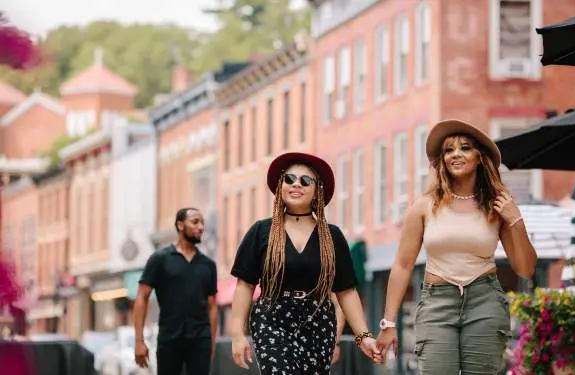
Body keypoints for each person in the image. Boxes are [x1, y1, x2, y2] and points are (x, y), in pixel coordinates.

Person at [376, 120, 537, 374]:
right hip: (436, 302)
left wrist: (515, 219)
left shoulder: (497, 206)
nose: (456, 154)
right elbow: (403, 264)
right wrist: (388, 323)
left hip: (485, 302)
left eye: (464, 148)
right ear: (442, 160)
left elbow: (526, 269)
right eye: (449, 150)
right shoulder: (424, 206)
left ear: (479, 157)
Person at [230, 152, 381, 374]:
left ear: (317, 190)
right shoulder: (261, 231)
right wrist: (237, 334)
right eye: (289, 179)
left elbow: (346, 292)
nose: (296, 184)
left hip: (318, 321)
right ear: (280, 186)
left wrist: (364, 337)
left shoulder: (332, 236)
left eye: (305, 180)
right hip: (272, 319)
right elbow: (244, 286)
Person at [133, 207, 218, 375]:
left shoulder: (208, 264)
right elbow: (142, 297)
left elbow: (212, 306)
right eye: (195, 222)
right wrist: (139, 341)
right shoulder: (160, 259)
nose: (200, 227)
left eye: (202, 223)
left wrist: (211, 344)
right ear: (180, 225)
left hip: (200, 340)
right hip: (169, 338)